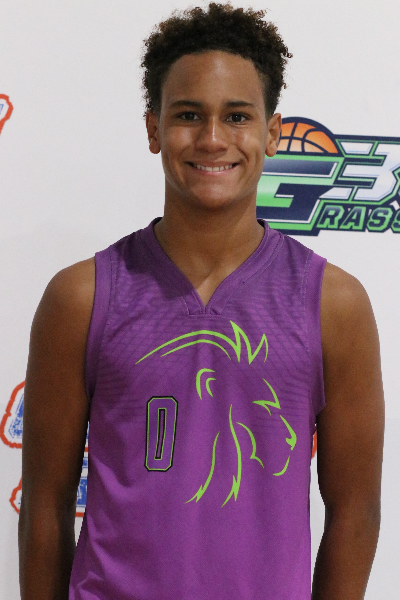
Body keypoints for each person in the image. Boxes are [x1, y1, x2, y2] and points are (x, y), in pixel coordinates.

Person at [18, 3, 384, 599]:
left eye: (237, 116)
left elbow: (355, 512)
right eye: (189, 115)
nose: (213, 139)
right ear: (153, 129)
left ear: (272, 131)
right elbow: (44, 507)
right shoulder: (81, 297)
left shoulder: (333, 305)